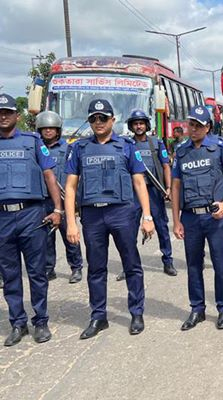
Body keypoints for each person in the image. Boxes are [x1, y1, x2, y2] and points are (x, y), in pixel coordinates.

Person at [64, 99, 155, 339]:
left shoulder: (126, 146)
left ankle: (136, 312)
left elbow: (139, 182)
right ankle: (98, 316)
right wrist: (71, 221)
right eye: (93, 118)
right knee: (95, 268)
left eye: (103, 118)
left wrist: (147, 216)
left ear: (112, 120)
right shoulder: (80, 148)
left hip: (122, 212)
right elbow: (71, 187)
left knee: (131, 264)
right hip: (92, 215)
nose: (98, 122)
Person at [0, 94, 62, 346]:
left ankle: (41, 321)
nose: (3, 116)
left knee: (37, 272)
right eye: (0, 112)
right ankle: (17, 323)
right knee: (9, 274)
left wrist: (57, 208)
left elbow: (49, 175)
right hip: (2, 217)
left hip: (31, 214)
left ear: (17, 115)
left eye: (7, 112)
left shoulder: (33, 142)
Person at [171, 105, 223, 331]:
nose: (194, 129)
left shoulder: (219, 147)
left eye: (199, 125)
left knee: (220, 264)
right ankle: (197, 309)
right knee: (193, 265)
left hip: (214, 217)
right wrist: (176, 220)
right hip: (190, 218)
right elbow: (176, 186)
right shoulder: (181, 151)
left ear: (208, 126)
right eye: (191, 124)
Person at [126, 109, 176, 277]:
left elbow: (165, 166)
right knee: (130, 229)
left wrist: (168, 188)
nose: (138, 126)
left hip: (154, 190)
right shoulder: (127, 145)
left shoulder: (157, 143)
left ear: (146, 125)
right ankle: (130, 266)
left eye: (141, 123)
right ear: (131, 126)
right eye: (135, 124)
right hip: (135, 192)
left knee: (161, 225)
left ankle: (168, 261)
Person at [36, 110, 84, 284]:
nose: (48, 131)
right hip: (42, 199)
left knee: (69, 234)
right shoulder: (36, 148)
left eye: (52, 128)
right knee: (46, 237)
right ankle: (49, 269)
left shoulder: (68, 148)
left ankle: (76, 267)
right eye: (44, 128)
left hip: (64, 200)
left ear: (58, 130)